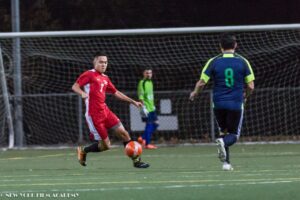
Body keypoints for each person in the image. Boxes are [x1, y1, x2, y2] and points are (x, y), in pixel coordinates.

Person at [72, 51, 150, 168]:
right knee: (106, 146)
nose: (103, 64)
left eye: (105, 62)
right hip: (94, 115)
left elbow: (116, 92)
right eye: (101, 62)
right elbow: (75, 86)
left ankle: (137, 161)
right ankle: (83, 150)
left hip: (106, 111)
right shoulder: (89, 74)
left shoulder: (105, 78)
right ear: (95, 62)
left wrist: (133, 101)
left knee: (124, 133)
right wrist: (82, 93)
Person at [189, 33, 255, 171]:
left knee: (223, 131)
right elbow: (250, 86)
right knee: (233, 135)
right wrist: (246, 96)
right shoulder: (243, 61)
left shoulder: (213, 61)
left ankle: (226, 164)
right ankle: (223, 144)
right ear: (235, 45)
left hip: (218, 103)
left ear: (220, 47)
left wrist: (195, 93)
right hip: (236, 103)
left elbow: (201, 83)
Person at [137, 68, 159, 149]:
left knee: (156, 123)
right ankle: (147, 144)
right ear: (143, 74)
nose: (149, 74)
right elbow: (141, 96)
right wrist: (143, 107)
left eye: (150, 73)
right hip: (146, 109)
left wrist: (153, 105)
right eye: (147, 73)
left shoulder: (150, 82)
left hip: (152, 108)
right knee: (149, 124)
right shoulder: (142, 83)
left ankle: (142, 138)